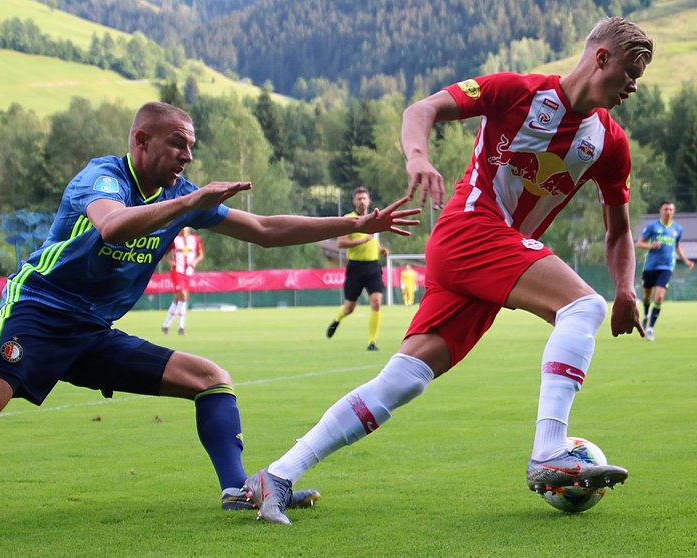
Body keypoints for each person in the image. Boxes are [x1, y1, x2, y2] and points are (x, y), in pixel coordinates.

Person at [0, 102, 421, 510]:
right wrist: (190, 203)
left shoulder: (182, 195)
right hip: (38, 313)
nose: (187, 157)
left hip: (92, 331)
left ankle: (238, 491)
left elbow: (262, 229)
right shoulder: (102, 178)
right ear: (141, 141)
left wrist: (354, 224)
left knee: (210, 378)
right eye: (178, 145)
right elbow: (113, 224)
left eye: (191, 148)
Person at [244, 16, 652, 524]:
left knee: (405, 379)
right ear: (601, 58)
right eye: (631, 72)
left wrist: (625, 287)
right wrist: (418, 156)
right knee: (581, 306)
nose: (634, 86)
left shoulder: (610, 145)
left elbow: (617, 231)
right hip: (470, 229)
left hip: (491, 258)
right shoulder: (514, 91)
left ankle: (276, 476)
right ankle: (549, 450)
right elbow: (424, 108)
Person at [326, 187, 390, 351]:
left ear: (369, 201)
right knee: (349, 307)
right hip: (355, 267)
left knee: (376, 302)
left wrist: (380, 249)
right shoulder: (348, 219)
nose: (362, 201)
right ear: (354, 202)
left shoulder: (375, 219)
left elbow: (373, 241)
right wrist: (362, 241)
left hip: (373, 266)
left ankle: (372, 342)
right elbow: (341, 243)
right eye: (359, 199)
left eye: (364, 198)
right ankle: (337, 319)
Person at [635, 201, 693, 340]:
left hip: (666, 267)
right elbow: (639, 243)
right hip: (650, 267)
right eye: (666, 209)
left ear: (674, 211)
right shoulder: (653, 226)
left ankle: (650, 328)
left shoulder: (677, 229)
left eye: (671, 209)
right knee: (647, 296)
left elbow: (677, 246)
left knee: (659, 297)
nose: (668, 211)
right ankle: (646, 314)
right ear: (661, 211)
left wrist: (686, 261)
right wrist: (651, 245)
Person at [162, 226, 204, 335]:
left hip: (188, 273)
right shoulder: (174, 240)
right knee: (184, 296)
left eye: (185, 228)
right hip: (177, 272)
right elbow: (164, 255)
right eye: (181, 228)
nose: (183, 230)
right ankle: (181, 327)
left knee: (177, 299)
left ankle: (166, 325)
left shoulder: (195, 239)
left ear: (189, 228)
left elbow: (200, 255)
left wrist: (195, 262)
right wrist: (170, 262)